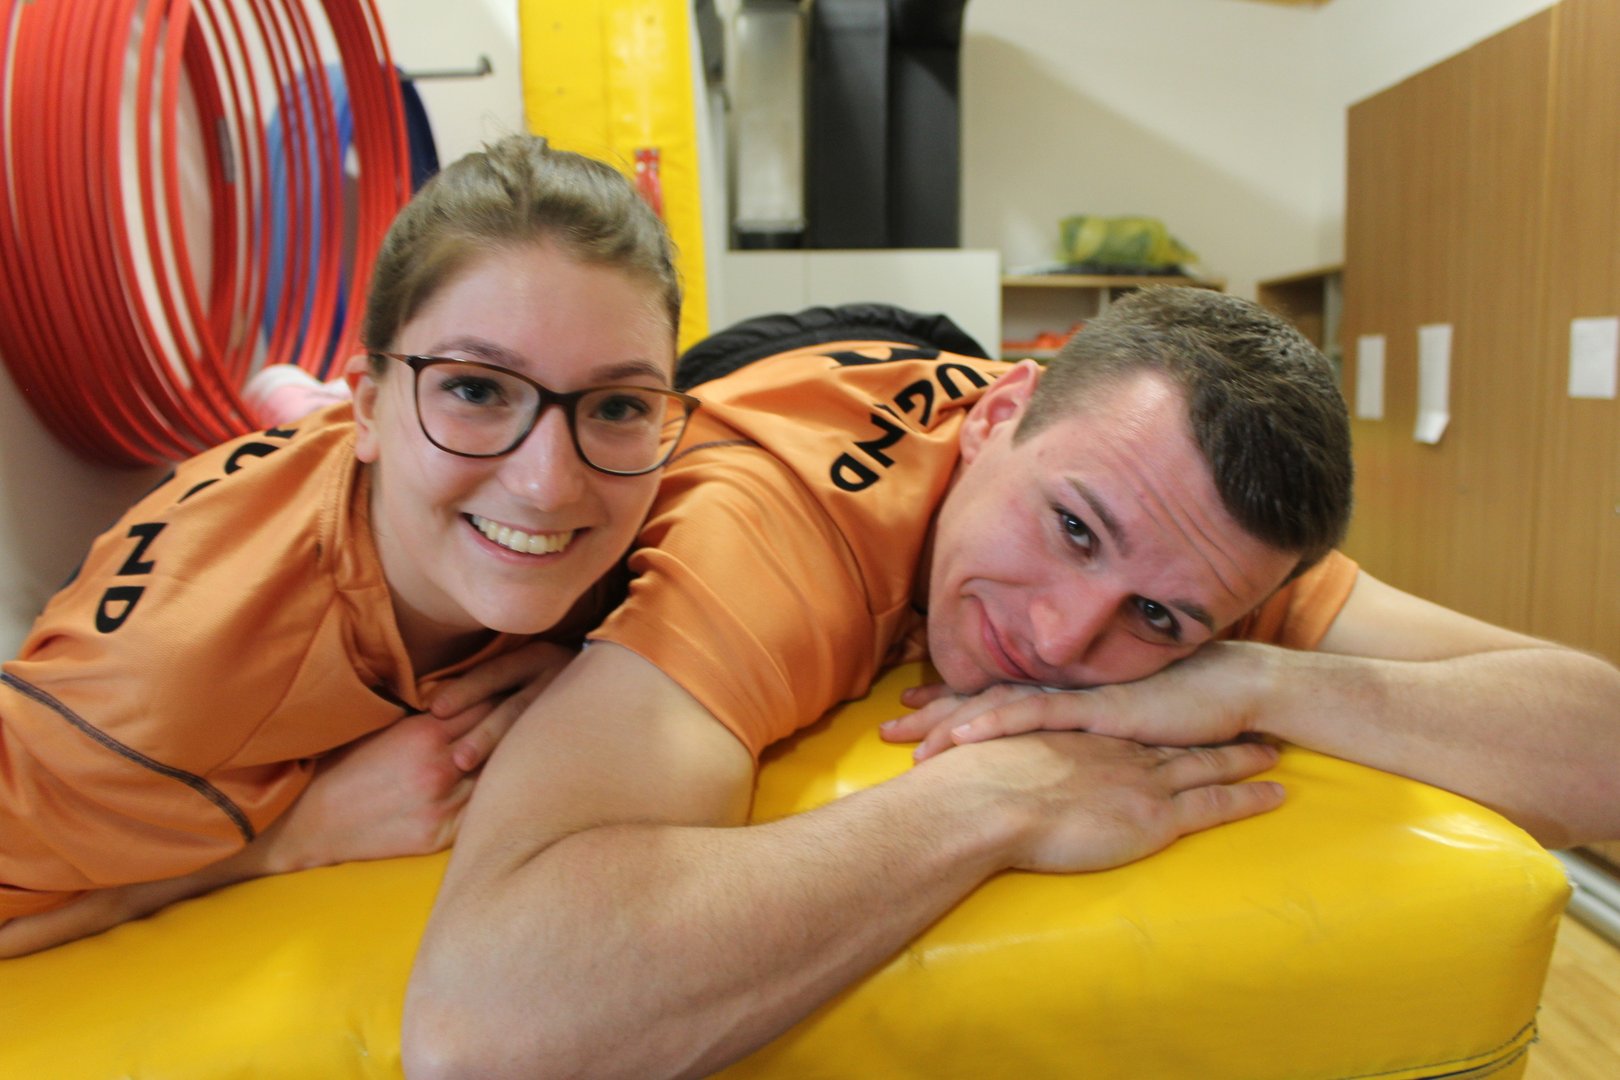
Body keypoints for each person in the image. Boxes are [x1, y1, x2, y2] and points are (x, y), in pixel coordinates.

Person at [401, 288, 1620, 1078]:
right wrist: (997, 800)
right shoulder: (774, 532)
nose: (1061, 637)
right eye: (1073, 529)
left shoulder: (1184, 527)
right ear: (998, 418)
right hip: (786, 377)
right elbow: (485, 1024)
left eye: (1157, 620)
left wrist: (1257, 678)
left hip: (915, 356)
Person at [0, 135, 696, 957]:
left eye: (618, 405)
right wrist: (291, 837)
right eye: (475, 389)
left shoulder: (675, 496)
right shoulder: (169, 676)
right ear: (368, 406)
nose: (547, 483)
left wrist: (596, 669)